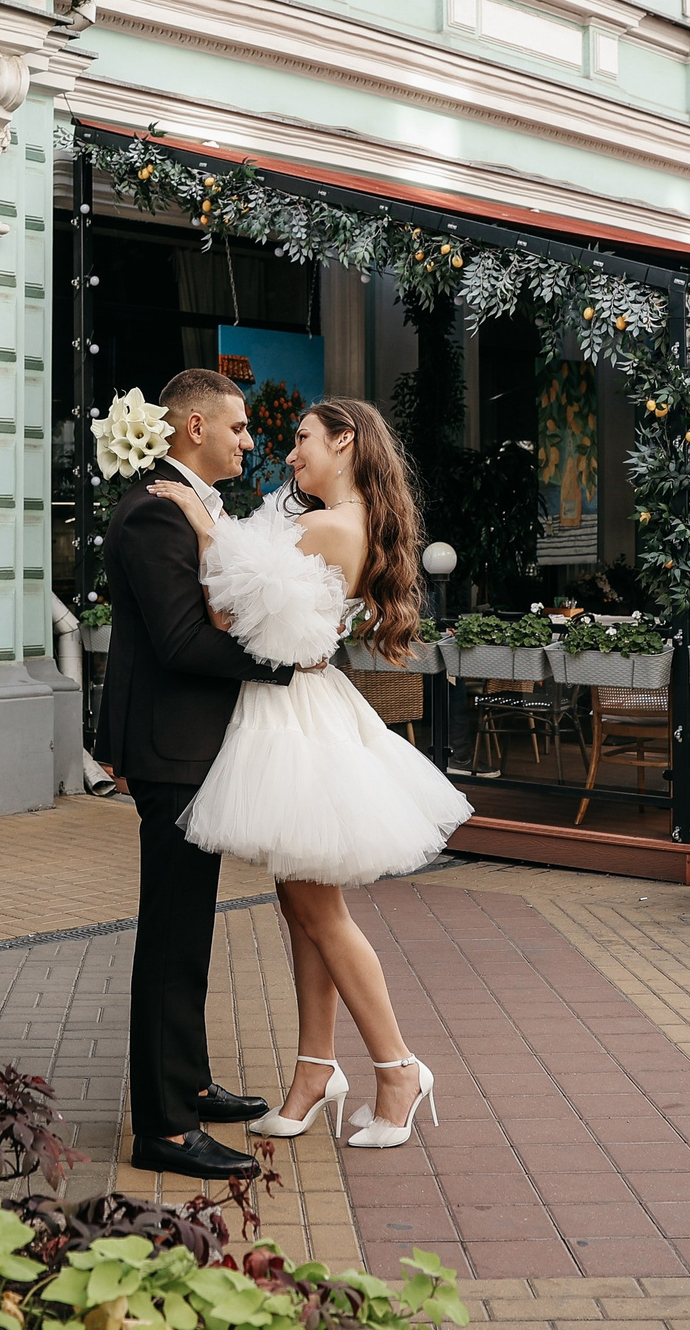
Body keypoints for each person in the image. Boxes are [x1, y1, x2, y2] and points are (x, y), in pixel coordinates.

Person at [144, 397, 472, 1152]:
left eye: (301, 439)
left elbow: (227, 606)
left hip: (293, 724)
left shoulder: (325, 526)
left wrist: (199, 522)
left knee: (320, 912)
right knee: (299, 903)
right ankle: (315, 1069)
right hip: (299, 712)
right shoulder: (340, 522)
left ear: (344, 440)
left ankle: (398, 1068)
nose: (289, 454)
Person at [97, 368, 298, 1180]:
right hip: (172, 751)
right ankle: (165, 1128)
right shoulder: (154, 511)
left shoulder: (191, 505)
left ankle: (189, 1081)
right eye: (239, 427)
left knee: (192, 931)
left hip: (193, 748)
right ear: (193, 429)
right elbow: (182, 642)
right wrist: (283, 662)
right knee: (172, 936)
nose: (250, 441)